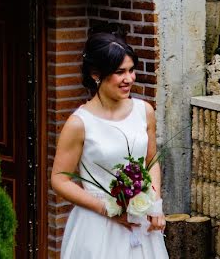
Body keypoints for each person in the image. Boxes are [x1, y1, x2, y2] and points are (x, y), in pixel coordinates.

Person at [51, 32, 168, 259]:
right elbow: (59, 179)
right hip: (96, 229)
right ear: (96, 75)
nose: (129, 78)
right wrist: (106, 208)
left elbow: (151, 161)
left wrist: (155, 203)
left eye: (131, 70)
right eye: (119, 72)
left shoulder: (145, 112)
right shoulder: (79, 123)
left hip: (140, 225)